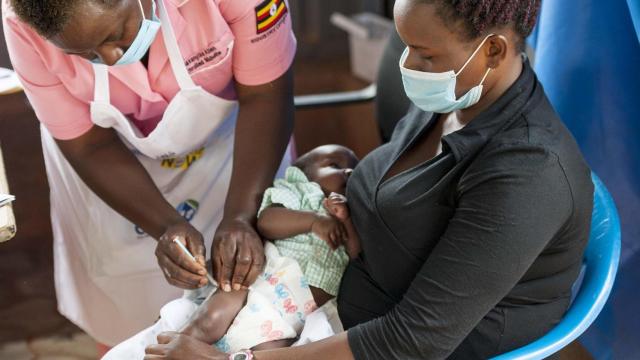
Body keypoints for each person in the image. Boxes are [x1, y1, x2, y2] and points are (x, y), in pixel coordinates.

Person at [143, 0, 595, 359]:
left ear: (492, 51)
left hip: (382, 341)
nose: (408, 64)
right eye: (405, 44)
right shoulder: (458, 96)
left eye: (426, 53)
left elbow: (412, 341)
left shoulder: (527, 175)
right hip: (323, 292)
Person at [2, 0, 296, 352]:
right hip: (109, 167)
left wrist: (239, 215)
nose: (110, 60)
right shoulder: (24, 17)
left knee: (257, 304)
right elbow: (88, 146)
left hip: (238, 145)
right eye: (87, 55)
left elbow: (266, 94)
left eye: (114, 35)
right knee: (124, 313)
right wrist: (166, 225)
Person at [102, 145, 359, 359]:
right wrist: (314, 220)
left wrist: (346, 219)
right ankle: (172, 350)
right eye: (334, 164)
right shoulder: (301, 192)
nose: (348, 170)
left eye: (354, 168)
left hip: (294, 314)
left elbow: (357, 256)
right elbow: (268, 221)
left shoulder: (354, 216)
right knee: (212, 317)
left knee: (267, 350)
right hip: (260, 279)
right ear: (301, 173)